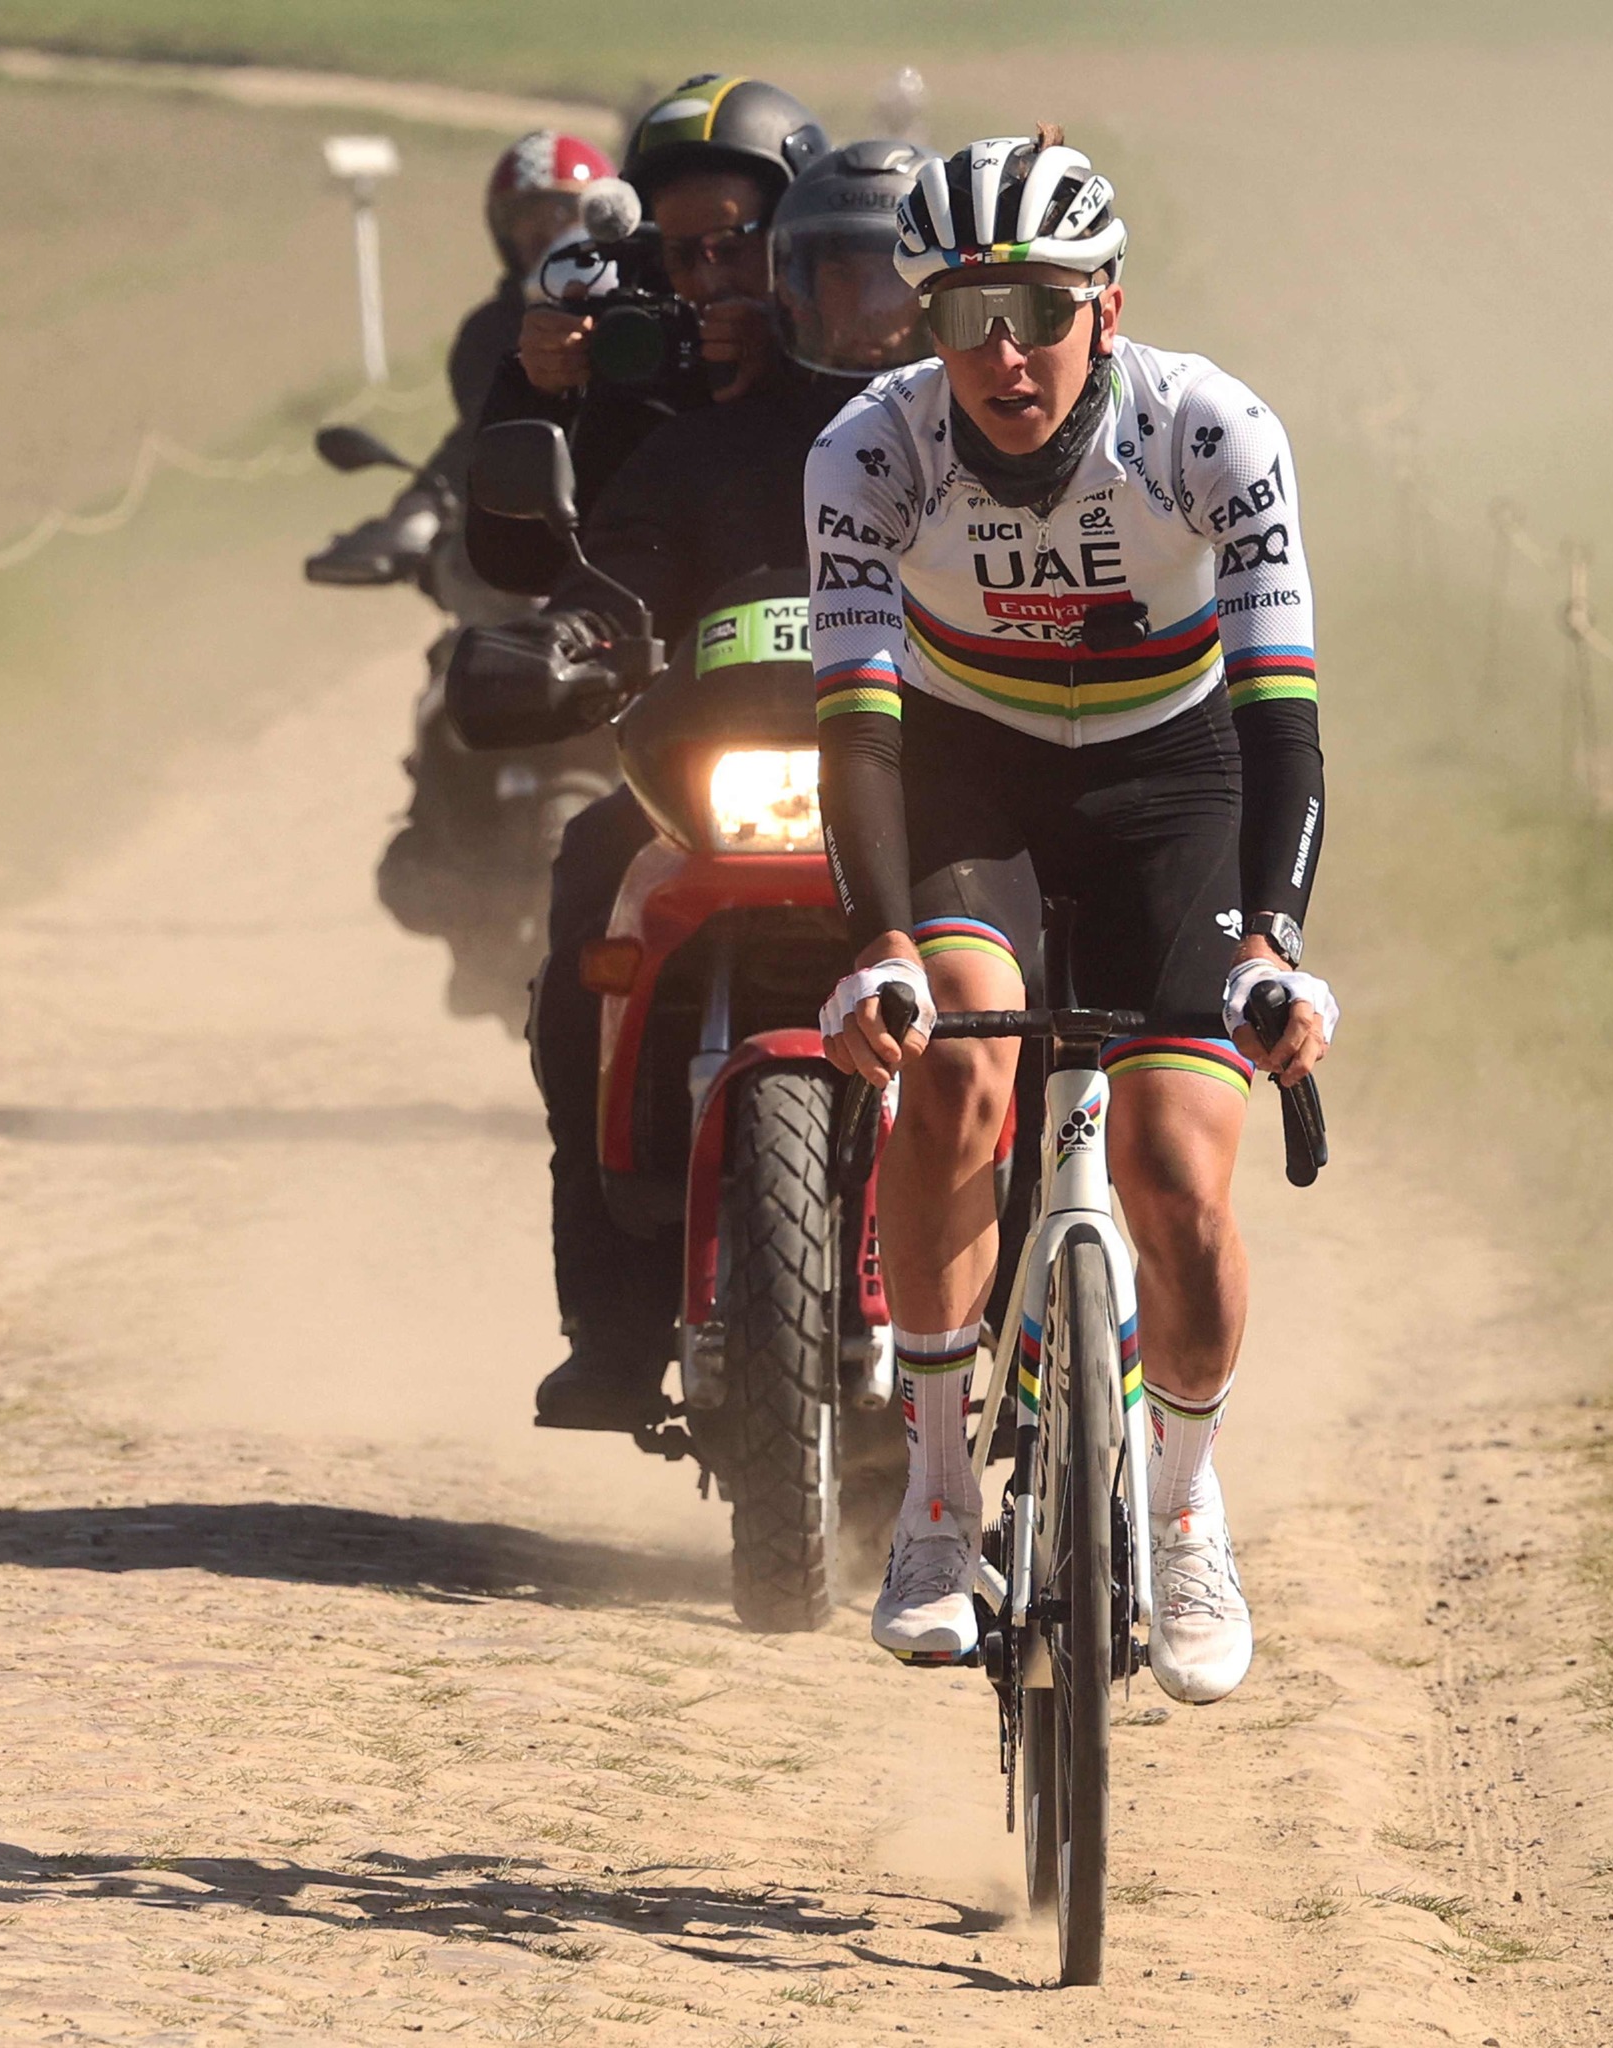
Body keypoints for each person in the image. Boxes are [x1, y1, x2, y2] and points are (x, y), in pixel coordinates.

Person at [807, 130, 1339, 1706]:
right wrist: (883, 947)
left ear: (1108, 308)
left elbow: (1283, 719)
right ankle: (939, 1500)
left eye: (1039, 309)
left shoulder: (1213, 435)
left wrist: (1273, 947)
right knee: (958, 1077)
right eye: (965, 315)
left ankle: (1182, 1510)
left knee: (1179, 1177)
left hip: (1179, 788)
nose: (1005, 352)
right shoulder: (868, 454)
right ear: (925, 327)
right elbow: (856, 723)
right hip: (975, 785)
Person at [528, 139, 936, 1431]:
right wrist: (568, 636)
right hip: (731, 786)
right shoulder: (707, 446)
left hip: (941, 797)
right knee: (593, 882)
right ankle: (611, 1314)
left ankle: (1082, 1291)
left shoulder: (984, 437)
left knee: (1081, 951)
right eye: (831, 279)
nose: (865, 313)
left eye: (894, 283)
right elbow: (621, 564)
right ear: (786, 285)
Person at [468, 76, 826, 597]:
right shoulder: (638, 365)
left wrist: (790, 365)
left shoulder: (862, 356)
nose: (707, 282)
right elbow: (520, 566)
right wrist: (536, 392)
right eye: (681, 255)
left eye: (730, 246)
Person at [306, 129, 615, 586]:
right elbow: (488, 429)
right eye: (523, 216)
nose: (543, 230)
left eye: (564, 210)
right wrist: (418, 511)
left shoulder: (654, 310)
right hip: (535, 553)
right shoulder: (491, 332)